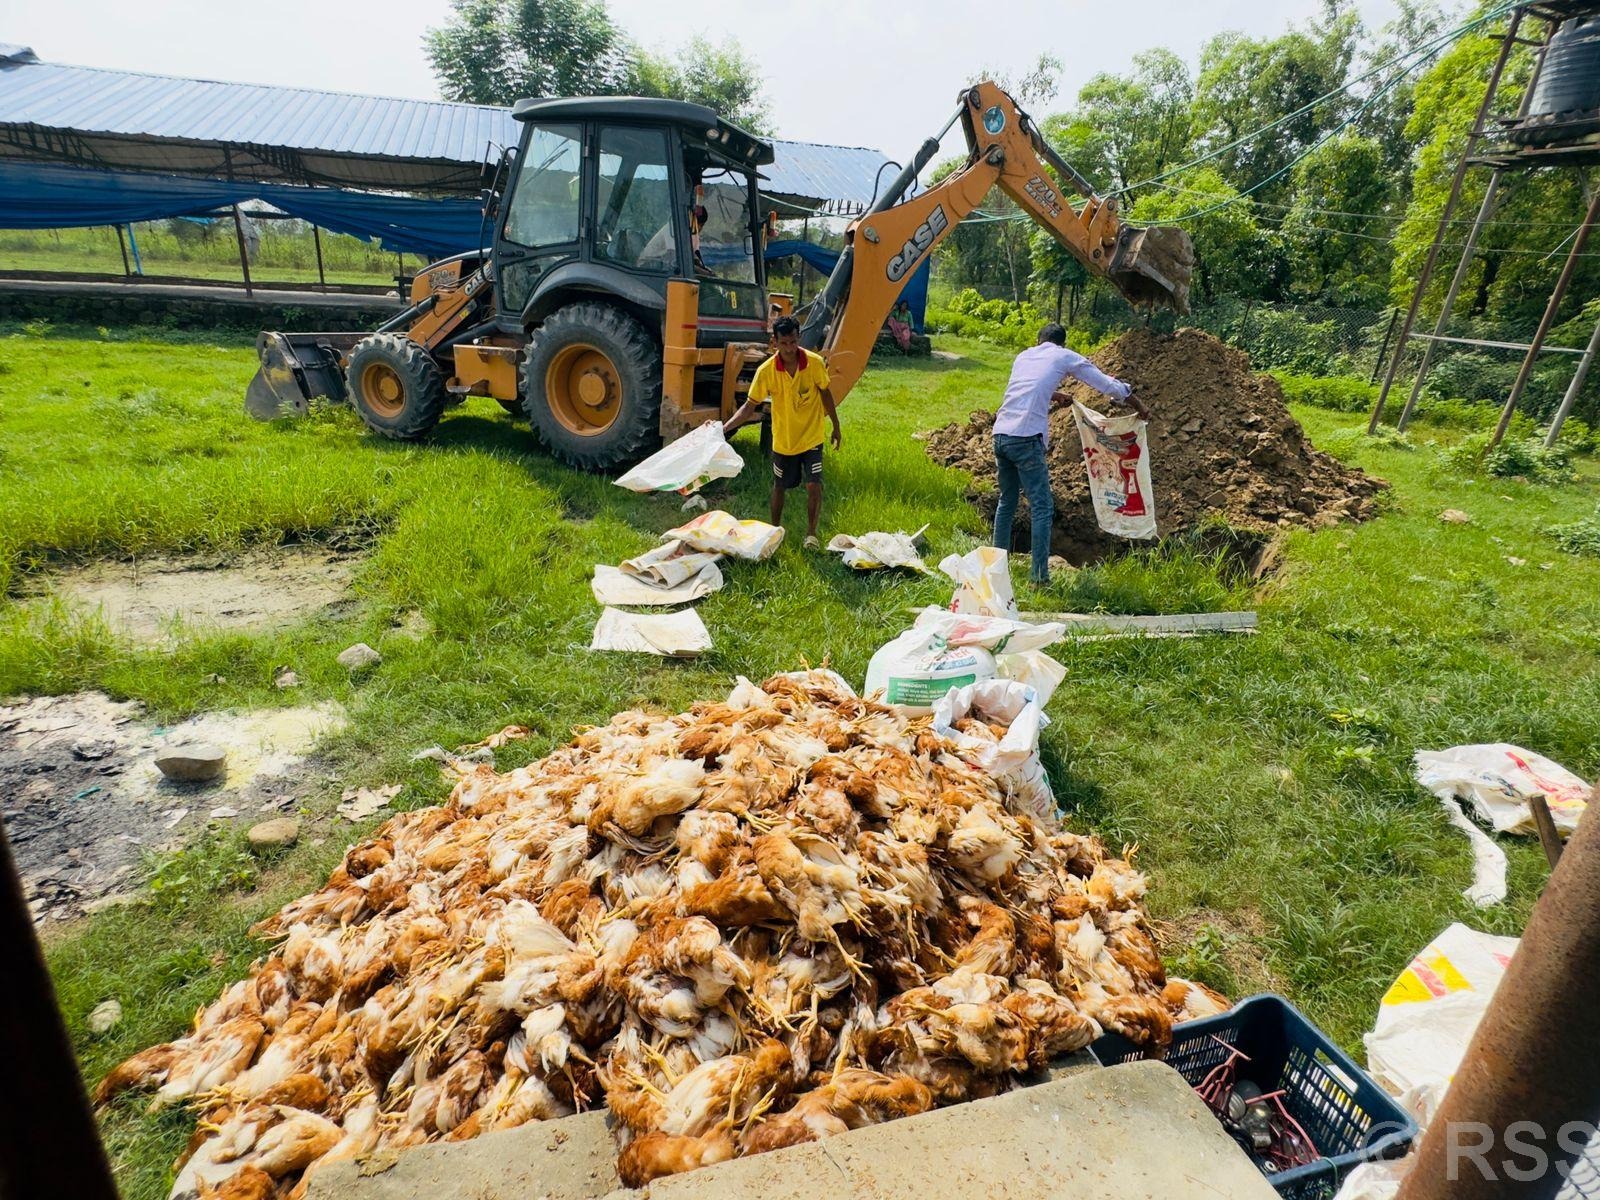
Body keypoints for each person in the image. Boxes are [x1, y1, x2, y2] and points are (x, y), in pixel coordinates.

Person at [993, 323, 1148, 586]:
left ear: (1038, 339)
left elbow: (1025, 388)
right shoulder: (1064, 355)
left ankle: (994, 569)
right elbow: (1107, 385)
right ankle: (1039, 578)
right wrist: (1138, 404)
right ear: (1061, 344)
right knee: (1042, 507)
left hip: (1001, 435)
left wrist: (1055, 396)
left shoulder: (1023, 356)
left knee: (1007, 502)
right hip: (1026, 437)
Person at [724, 315, 842, 549]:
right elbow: (749, 406)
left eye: (793, 342)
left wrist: (836, 427)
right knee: (779, 486)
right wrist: (725, 428)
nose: (789, 348)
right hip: (784, 441)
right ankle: (773, 530)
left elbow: (826, 393)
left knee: (814, 484)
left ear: (799, 339)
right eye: (784, 343)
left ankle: (811, 534)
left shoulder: (815, 363)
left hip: (812, 437)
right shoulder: (766, 371)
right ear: (774, 342)